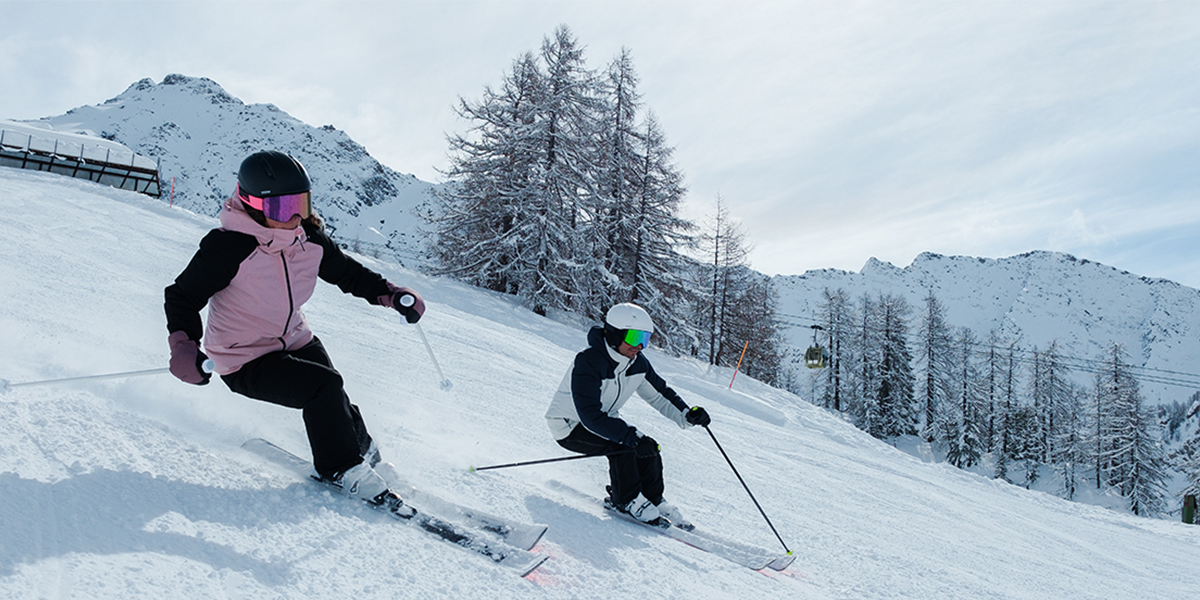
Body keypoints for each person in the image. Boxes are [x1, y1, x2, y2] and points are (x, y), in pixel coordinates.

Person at [164, 150, 424, 518]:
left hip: (294, 337)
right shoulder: (228, 247)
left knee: (334, 394)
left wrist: (390, 294)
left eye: (301, 204)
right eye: (284, 208)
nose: (297, 216)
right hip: (242, 357)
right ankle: (341, 468)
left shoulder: (308, 239)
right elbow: (182, 297)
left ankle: (363, 455)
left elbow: (347, 273)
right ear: (254, 206)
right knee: (322, 387)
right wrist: (183, 346)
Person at [544, 303, 712, 529]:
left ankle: (653, 499)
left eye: (645, 338)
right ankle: (624, 500)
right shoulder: (589, 361)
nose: (640, 346)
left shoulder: (637, 363)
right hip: (569, 425)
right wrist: (630, 437)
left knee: (649, 446)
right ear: (614, 335)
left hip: (604, 422)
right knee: (622, 447)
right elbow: (589, 415)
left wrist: (687, 414)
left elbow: (660, 394)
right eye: (634, 337)